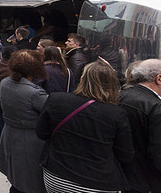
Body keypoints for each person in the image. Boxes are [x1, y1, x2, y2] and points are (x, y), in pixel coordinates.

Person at [36, 60, 134, 193]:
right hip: (96, 182)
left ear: (83, 79)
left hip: (57, 175)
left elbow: (42, 133)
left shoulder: (57, 100)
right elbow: (125, 154)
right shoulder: (116, 114)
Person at [0, 50, 48, 193]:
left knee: (16, 177)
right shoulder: (34, 93)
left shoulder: (5, 83)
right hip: (30, 140)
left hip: (10, 134)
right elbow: (50, 112)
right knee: (30, 180)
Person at [119, 59, 161, 193]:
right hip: (147, 180)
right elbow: (159, 155)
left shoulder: (121, 95)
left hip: (123, 174)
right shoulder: (157, 108)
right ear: (159, 78)